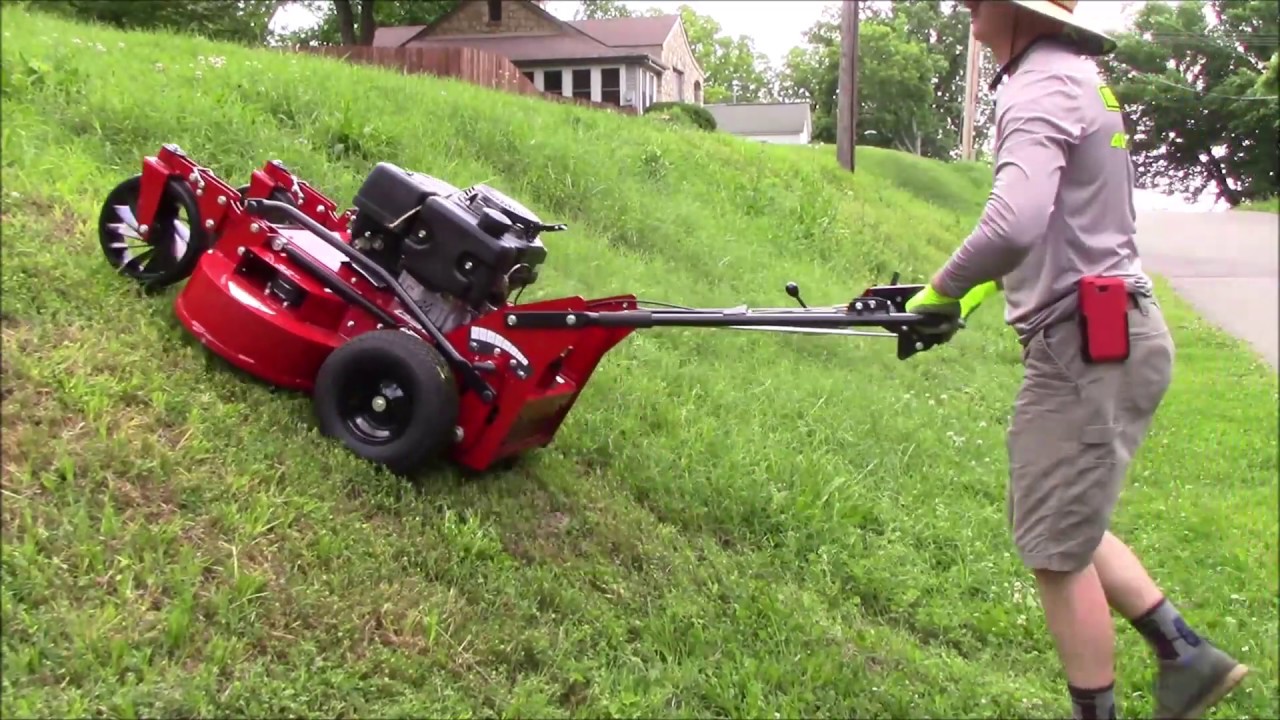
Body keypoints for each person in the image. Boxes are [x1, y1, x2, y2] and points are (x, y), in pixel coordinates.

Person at [902, 2, 1250, 718]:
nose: (967, 6)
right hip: (1110, 332)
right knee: (1065, 519)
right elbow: (1068, 228)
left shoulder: (1037, 87)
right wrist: (967, 302)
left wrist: (940, 288)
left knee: (1054, 551)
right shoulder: (1075, 77)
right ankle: (1185, 652)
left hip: (1086, 346)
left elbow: (1014, 220)